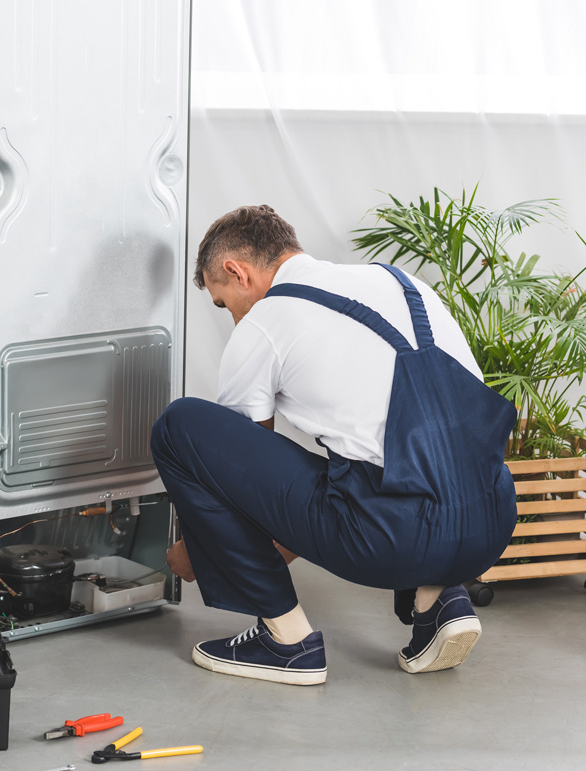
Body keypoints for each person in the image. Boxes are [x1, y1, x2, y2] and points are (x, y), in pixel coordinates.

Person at [150, 205, 517, 685]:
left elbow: (245, 496)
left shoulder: (265, 321)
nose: (232, 317)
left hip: (393, 540)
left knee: (179, 425)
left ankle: (285, 641)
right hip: (492, 520)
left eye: (223, 303)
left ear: (235, 272)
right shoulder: (401, 283)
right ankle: (439, 602)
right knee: (405, 457)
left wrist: (199, 552)